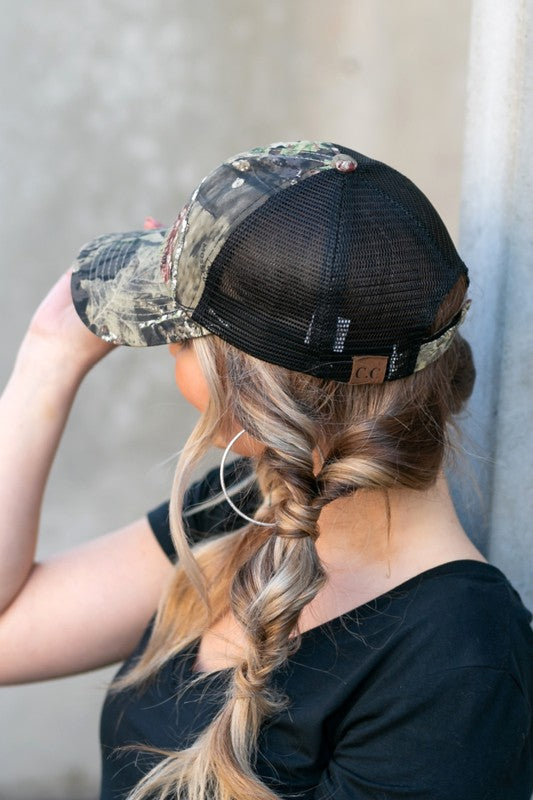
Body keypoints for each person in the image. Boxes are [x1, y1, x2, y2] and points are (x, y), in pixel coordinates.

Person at [0, 141, 531, 800]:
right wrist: (50, 353)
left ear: (253, 395)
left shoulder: (458, 663)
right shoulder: (243, 507)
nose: (169, 358)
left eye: (179, 340)